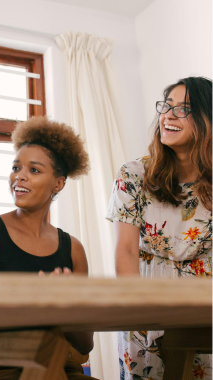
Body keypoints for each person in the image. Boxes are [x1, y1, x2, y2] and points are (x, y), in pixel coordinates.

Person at [0, 116, 95, 379]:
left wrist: (67, 306)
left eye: (34, 170)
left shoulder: (73, 249)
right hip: (2, 370)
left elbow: (84, 344)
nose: (19, 177)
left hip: (63, 371)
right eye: (15, 167)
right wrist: (36, 304)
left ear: (58, 183)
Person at [107, 76, 213, 379]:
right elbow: (125, 249)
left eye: (184, 109)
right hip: (143, 299)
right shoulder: (133, 174)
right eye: (167, 106)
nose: (168, 114)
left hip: (203, 306)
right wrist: (138, 310)